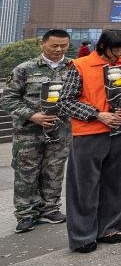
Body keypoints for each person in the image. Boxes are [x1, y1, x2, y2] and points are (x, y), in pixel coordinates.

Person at [58, 28, 121, 253]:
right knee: (84, 185)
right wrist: (98, 114)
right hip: (90, 132)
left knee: (118, 182)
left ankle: (110, 228)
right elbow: (65, 101)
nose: (120, 54)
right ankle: (83, 236)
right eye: (116, 49)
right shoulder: (81, 65)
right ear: (103, 46)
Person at [0, 29, 73, 233]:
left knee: (54, 169)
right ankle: (26, 214)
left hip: (60, 131)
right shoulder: (25, 69)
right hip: (28, 133)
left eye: (63, 46)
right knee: (26, 172)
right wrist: (32, 115)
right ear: (43, 44)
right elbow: (8, 99)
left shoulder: (74, 68)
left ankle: (50, 209)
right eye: (54, 46)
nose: (59, 50)